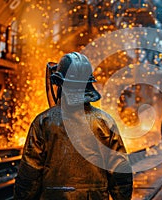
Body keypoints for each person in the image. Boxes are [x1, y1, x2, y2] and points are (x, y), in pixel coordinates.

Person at [14, 52, 133, 200]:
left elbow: (29, 174)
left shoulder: (43, 122)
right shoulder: (105, 122)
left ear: (59, 82)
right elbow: (120, 173)